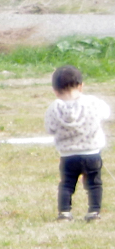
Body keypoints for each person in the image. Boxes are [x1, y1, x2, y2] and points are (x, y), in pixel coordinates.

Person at [45, 64, 106, 222]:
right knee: (94, 184)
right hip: (92, 153)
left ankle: (64, 212)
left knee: (66, 184)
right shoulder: (92, 102)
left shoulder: (54, 108)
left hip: (68, 155)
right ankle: (94, 212)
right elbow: (106, 113)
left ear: (55, 90)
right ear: (81, 86)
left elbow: (50, 128)